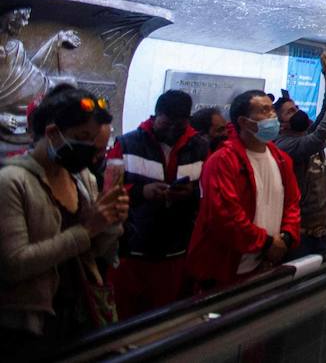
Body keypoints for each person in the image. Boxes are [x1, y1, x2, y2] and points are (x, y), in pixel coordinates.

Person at [0, 87, 126, 349]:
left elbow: (95, 253)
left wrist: (110, 222)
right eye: (82, 138)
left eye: (94, 140)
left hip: (80, 312)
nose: (89, 150)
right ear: (52, 133)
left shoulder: (82, 178)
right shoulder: (12, 182)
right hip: (30, 326)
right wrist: (86, 230)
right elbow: (13, 265)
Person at [106, 89, 207, 317]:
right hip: (132, 250)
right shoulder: (127, 144)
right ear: (156, 115)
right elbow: (108, 191)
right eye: (166, 123)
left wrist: (190, 194)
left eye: (178, 124)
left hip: (176, 251)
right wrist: (141, 192)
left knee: (166, 318)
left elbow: (207, 190)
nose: (172, 129)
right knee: (125, 317)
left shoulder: (199, 148)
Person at [186, 89, 300, 291]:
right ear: (244, 121)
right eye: (264, 111)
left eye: (272, 110)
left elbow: (292, 203)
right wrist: (267, 243)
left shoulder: (281, 159)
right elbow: (225, 216)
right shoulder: (222, 161)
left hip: (267, 264)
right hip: (226, 269)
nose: (272, 116)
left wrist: (286, 237)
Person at [274, 61, 326, 257]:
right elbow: (323, 134)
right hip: (301, 234)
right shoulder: (284, 145)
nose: (297, 112)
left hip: (323, 231)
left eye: (296, 107)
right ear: (281, 124)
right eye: (290, 112)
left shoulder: (305, 134)